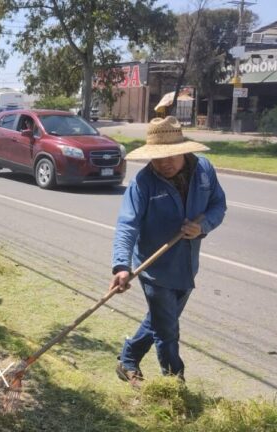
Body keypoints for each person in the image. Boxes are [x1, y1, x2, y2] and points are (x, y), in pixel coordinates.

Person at [110, 116, 226, 388]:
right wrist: (121, 266)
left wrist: (202, 225)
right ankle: (174, 383)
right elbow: (127, 225)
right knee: (168, 330)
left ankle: (128, 359)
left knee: (162, 320)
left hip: (186, 266)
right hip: (154, 269)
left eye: (170, 155)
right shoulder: (144, 182)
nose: (164, 163)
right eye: (158, 157)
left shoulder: (204, 171)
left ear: (184, 149)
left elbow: (218, 205)